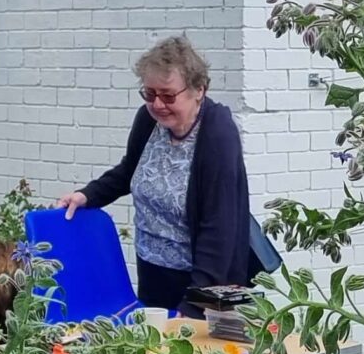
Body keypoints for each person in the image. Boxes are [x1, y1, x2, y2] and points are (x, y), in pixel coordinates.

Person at [61, 36, 256, 314]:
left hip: (203, 282)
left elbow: (219, 229)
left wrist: (191, 307)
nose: (158, 104)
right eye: (149, 94)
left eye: (167, 95)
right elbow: (129, 171)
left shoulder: (217, 135)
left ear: (198, 89)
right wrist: (87, 195)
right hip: (154, 274)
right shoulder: (148, 120)